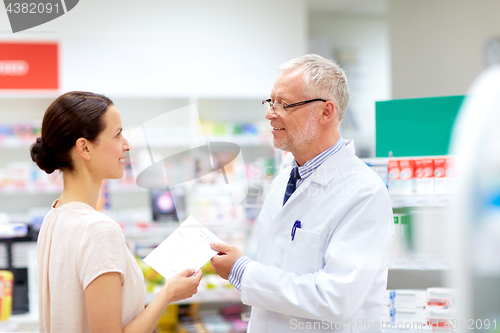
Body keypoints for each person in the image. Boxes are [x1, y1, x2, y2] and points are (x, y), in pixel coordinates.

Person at [210, 54, 394, 332]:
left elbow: (337, 299)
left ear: (326, 112)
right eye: (271, 102)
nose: (270, 113)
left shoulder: (364, 193)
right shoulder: (284, 179)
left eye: (285, 104)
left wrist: (243, 271)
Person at [31, 91, 203, 333]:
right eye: (117, 134)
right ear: (85, 148)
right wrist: (168, 294)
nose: (127, 145)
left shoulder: (54, 216)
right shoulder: (98, 230)